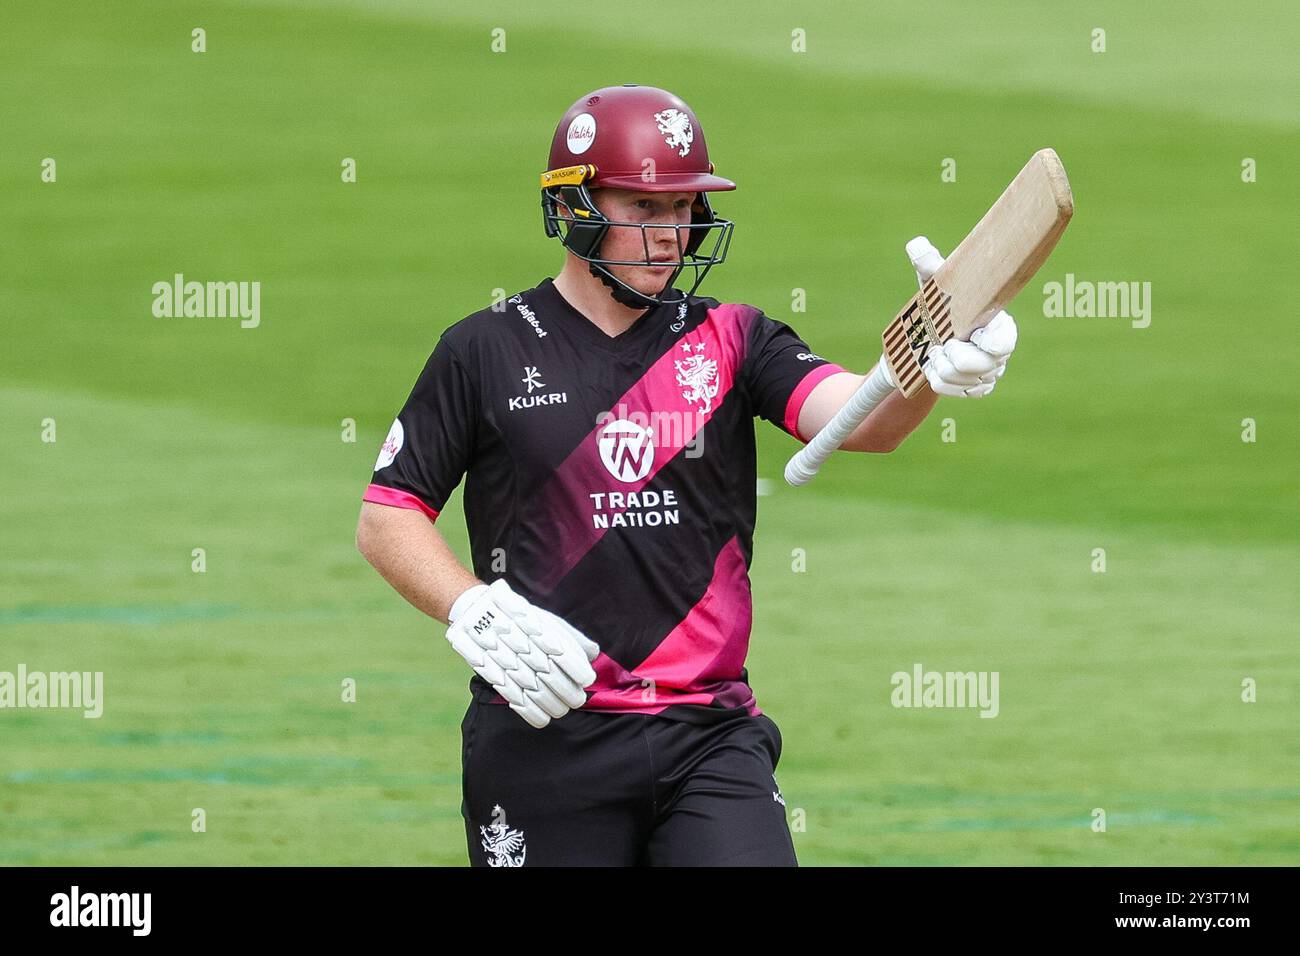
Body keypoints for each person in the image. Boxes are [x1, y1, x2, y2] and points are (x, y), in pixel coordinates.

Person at [355, 84, 1017, 866]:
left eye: (682, 209)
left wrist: (931, 364)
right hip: (542, 734)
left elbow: (861, 420)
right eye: (643, 207)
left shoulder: (734, 337)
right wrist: (474, 610)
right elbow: (388, 515)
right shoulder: (483, 351)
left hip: (710, 735)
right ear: (574, 206)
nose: (670, 234)